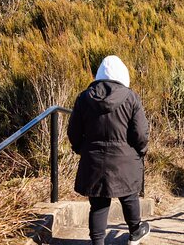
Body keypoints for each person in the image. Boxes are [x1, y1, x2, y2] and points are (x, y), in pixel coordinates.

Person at [67, 55, 151, 245]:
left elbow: (73, 131)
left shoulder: (84, 98)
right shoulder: (131, 98)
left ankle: (98, 242)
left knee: (97, 203)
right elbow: (140, 132)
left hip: (94, 160)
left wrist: (82, 149)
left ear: (99, 75)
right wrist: (141, 150)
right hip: (125, 158)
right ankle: (135, 231)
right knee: (129, 195)